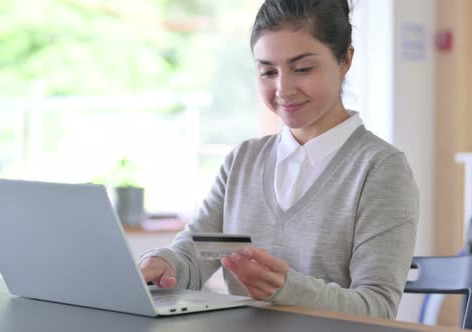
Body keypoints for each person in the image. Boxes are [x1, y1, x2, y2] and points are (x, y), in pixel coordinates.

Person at [138, 0, 418, 320]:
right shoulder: (243, 161)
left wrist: (287, 289)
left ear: (345, 60)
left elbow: (378, 308)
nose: (283, 89)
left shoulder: (380, 169)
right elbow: (194, 255)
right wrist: (161, 264)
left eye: (302, 69)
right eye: (268, 71)